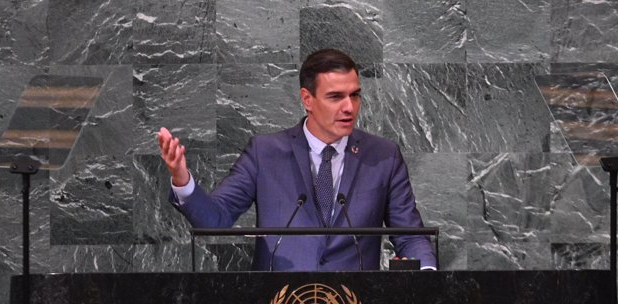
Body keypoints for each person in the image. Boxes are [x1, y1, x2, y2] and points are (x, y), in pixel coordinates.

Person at [158, 48, 436, 271]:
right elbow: (215, 221)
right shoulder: (264, 153)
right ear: (307, 99)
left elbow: (410, 235)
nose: (349, 107)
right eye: (335, 97)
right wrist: (183, 181)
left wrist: (426, 274)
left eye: (355, 95)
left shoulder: (383, 156)